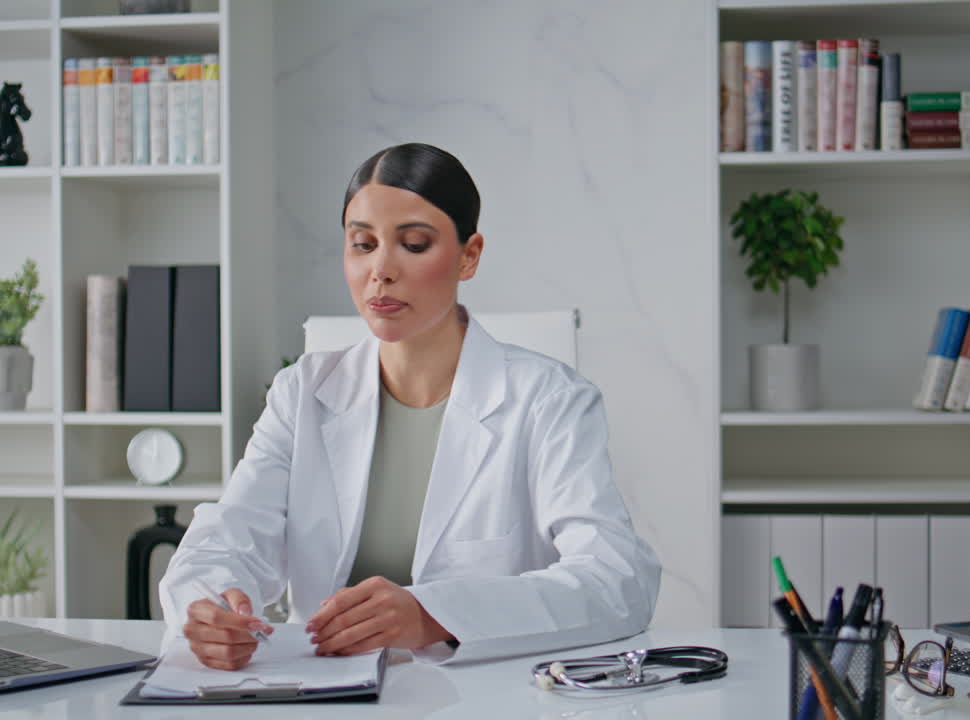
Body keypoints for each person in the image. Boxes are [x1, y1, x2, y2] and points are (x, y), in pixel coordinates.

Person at [158, 142, 660, 668]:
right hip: (323, 689)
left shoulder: (549, 401)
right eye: (362, 244)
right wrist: (210, 606)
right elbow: (227, 539)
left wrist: (433, 615)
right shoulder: (301, 392)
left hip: (485, 694)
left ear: (469, 256)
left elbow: (618, 580)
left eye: (414, 244)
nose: (381, 270)